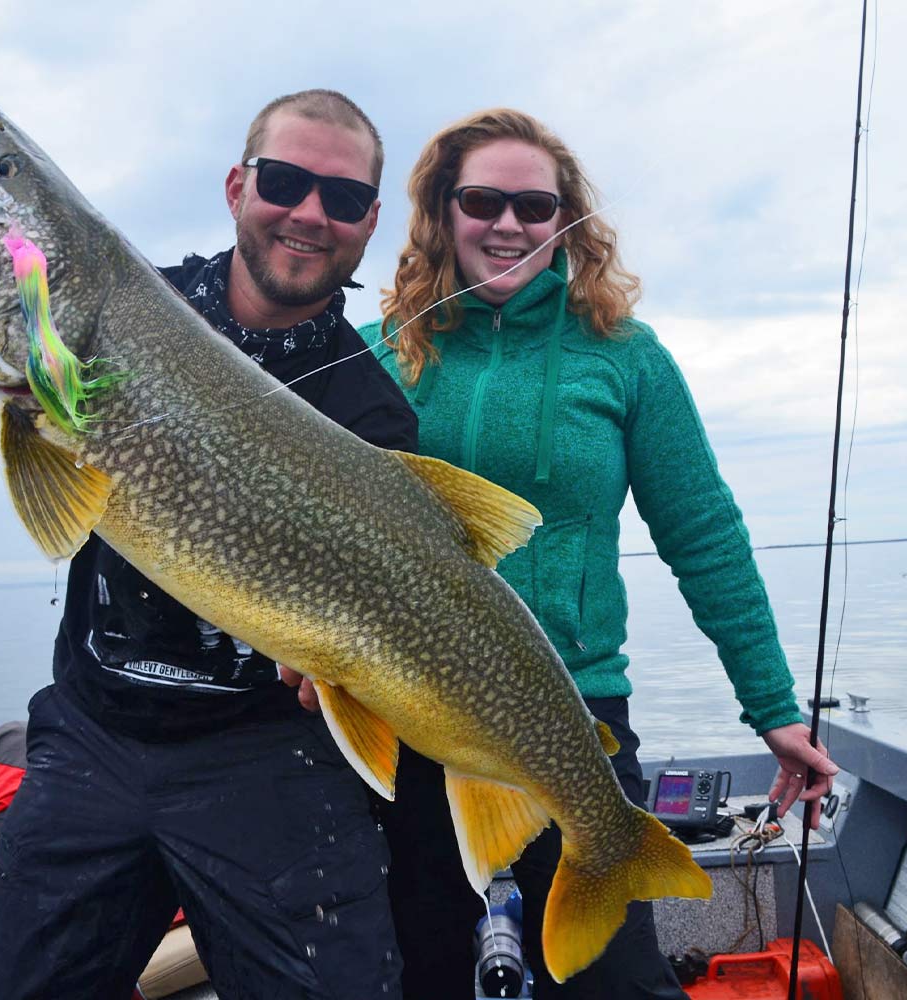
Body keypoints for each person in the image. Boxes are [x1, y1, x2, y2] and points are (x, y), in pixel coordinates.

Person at [0, 89, 415, 1000]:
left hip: (269, 754)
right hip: (94, 734)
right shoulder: (126, 300)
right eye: (285, 181)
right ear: (237, 187)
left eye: (342, 198)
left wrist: (351, 671)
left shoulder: (373, 413)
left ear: (369, 222)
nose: (310, 213)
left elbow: (383, 615)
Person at [354, 108, 840, 999]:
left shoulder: (625, 356)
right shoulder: (381, 352)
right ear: (442, 211)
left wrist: (772, 705)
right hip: (409, 715)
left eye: (534, 206)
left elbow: (704, 534)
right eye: (483, 201)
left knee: (618, 982)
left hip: (573, 713)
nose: (508, 224)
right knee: (423, 975)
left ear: (567, 219)